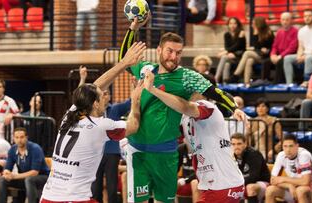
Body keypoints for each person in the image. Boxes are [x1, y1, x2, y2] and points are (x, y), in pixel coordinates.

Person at [100, 14, 241, 203]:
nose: (174, 57)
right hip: (138, 151)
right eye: (169, 51)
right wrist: (133, 28)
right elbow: (125, 59)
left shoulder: (187, 76)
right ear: (159, 50)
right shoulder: (145, 69)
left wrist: (234, 108)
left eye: (178, 53)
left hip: (166, 153)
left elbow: (215, 92)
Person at [143, 70, 245, 203]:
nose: (185, 87)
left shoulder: (207, 106)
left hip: (221, 186)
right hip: (220, 184)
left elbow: (184, 106)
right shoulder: (185, 117)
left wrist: (154, 90)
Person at [40, 76, 142, 202]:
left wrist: (124, 64)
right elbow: (134, 126)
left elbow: (91, 88)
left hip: (48, 197)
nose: (105, 98)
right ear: (95, 103)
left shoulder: (69, 115)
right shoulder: (100, 125)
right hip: (73, 199)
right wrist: (136, 99)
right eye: (102, 96)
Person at [75, 66, 132, 203]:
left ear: (109, 96)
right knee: (95, 187)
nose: (104, 96)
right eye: (102, 94)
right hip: (95, 152)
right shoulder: (90, 111)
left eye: (106, 94)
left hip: (111, 152)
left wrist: (135, 87)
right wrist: (82, 79)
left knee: (112, 187)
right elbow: (80, 99)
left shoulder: (116, 108)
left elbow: (131, 102)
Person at [0, 127, 49, 203]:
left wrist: (14, 176)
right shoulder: (12, 149)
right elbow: (8, 167)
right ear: (14, 138)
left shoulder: (35, 148)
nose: (19, 140)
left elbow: (34, 172)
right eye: (17, 137)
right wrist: (6, 173)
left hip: (42, 177)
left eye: (22, 137)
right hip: (24, 178)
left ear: (26, 138)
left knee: (29, 179)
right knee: (2, 179)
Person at [265, 134, 312, 203]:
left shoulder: (304, 155)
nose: (288, 150)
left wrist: (283, 179)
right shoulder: (281, 155)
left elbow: (306, 181)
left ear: (297, 146)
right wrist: (289, 185)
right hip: (294, 188)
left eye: (291, 146)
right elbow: (273, 180)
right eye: (285, 146)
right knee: (270, 190)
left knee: (300, 190)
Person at [228, 16, 274, 87]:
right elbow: (256, 47)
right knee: (249, 60)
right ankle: (247, 83)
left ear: (258, 24)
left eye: (253, 23)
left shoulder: (269, 33)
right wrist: (256, 35)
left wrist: (267, 50)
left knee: (247, 53)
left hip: (266, 57)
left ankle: (236, 75)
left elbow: (272, 47)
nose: (252, 25)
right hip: (258, 55)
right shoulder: (255, 32)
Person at [283, 9, 312, 86]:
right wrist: (299, 55)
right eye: (305, 16)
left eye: (309, 16)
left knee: (309, 58)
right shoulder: (302, 30)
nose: (307, 18)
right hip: (305, 54)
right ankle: (289, 84)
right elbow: (300, 46)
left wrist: (306, 56)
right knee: (287, 58)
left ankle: (307, 82)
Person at [231, 133, 270, 203]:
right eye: (233, 144)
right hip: (243, 183)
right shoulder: (232, 156)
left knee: (250, 187)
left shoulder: (254, 154)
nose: (236, 147)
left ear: (245, 144)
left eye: (239, 144)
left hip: (262, 183)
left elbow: (253, 177)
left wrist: (236, 184)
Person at [270, 12, 298, 84]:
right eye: (283, 20)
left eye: (287, 20)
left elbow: (292, 48)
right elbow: (274, 46)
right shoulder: (279, 31)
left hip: (289, 54)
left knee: (281, 61)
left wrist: (280, 56)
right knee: (265, 62)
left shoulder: (295, 31)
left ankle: (277, 83)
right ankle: (263, 82)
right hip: (279, 55)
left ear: (291, 21)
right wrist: (273, 54)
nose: (284, 22)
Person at [216, 17, 246, 83]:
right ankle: (225, 83)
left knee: (224, 57)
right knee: (226, 64)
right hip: (229, 56)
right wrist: (227, 52)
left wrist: (230, 53)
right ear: (228, 25)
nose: (232, 25)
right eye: (230, 23)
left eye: (234, 23)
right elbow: (227, 47)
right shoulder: (227, 34)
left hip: (240, 56)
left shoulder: (241, 33)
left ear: (238, 24)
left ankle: (216, 78)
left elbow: (238, 46)